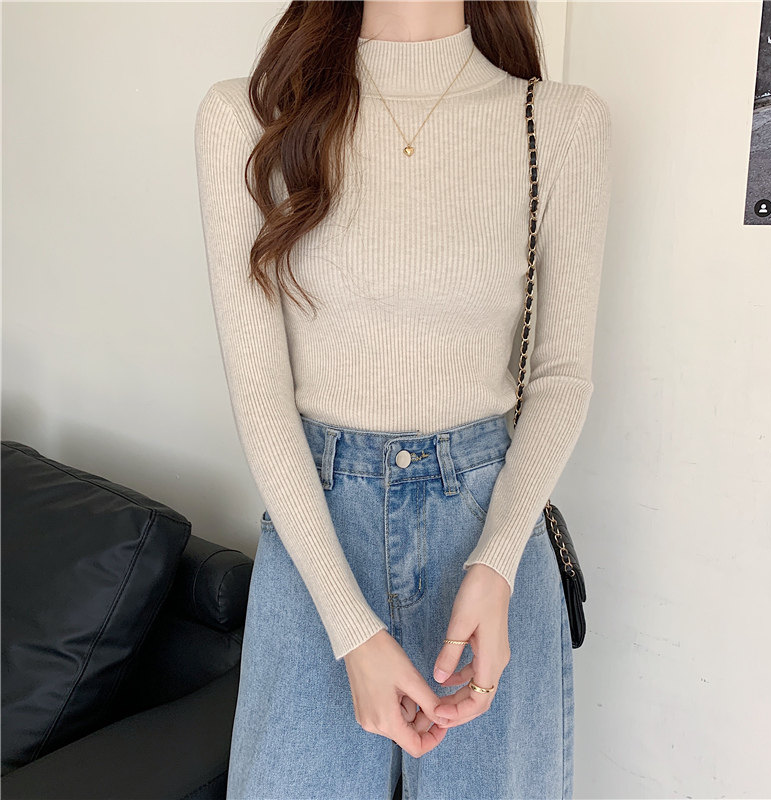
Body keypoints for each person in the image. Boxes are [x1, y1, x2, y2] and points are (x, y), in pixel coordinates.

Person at [194, 1, 611, 798]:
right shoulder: (247, 120)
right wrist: (351, 631)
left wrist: (498, 560)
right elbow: (260, 393)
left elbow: (561, 374)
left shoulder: (557, 123)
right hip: (317, 544)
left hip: (490, 545)